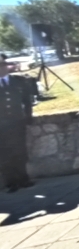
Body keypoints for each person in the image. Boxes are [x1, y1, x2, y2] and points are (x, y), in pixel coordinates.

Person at [0, 54, 35, 193]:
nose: (1, 68)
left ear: (6, 66)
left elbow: (27, 101)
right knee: (4, 154)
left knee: (20, 150)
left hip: (17, 121)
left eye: (2, 65)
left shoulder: (18, 81)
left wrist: (28, 116)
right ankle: (11, 182)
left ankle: (23, 178)